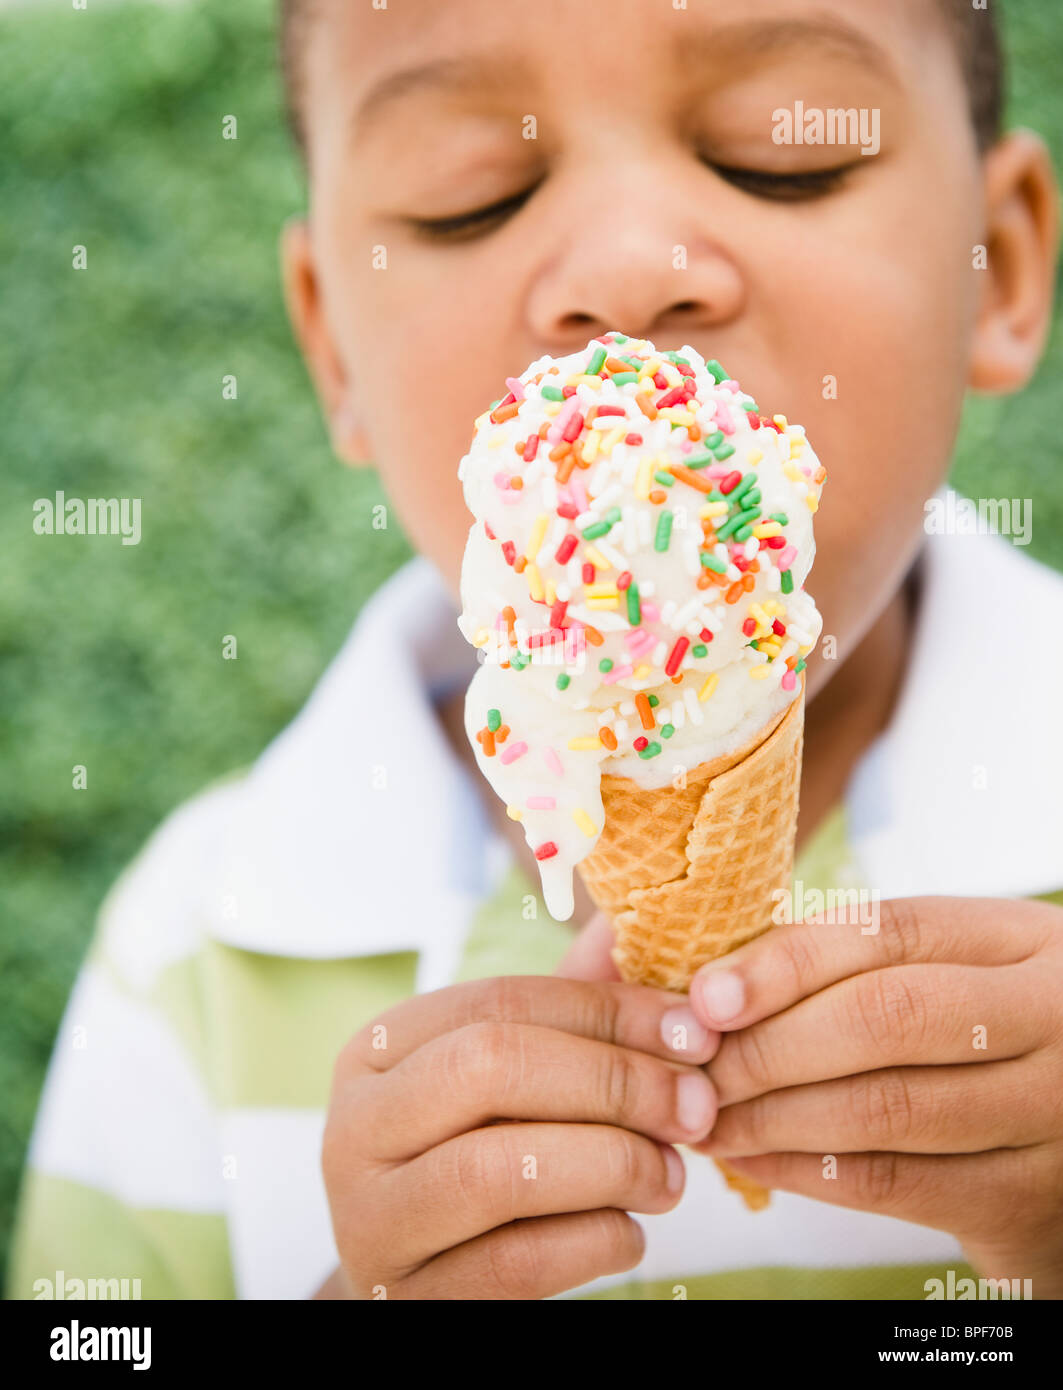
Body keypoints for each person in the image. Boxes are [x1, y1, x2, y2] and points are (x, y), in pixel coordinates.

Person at [9, 0, 1063, 1301]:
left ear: (1000, 264)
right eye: (474, 195)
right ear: (332, 339)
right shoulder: (195, 958)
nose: (626, 269)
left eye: (777, 154)